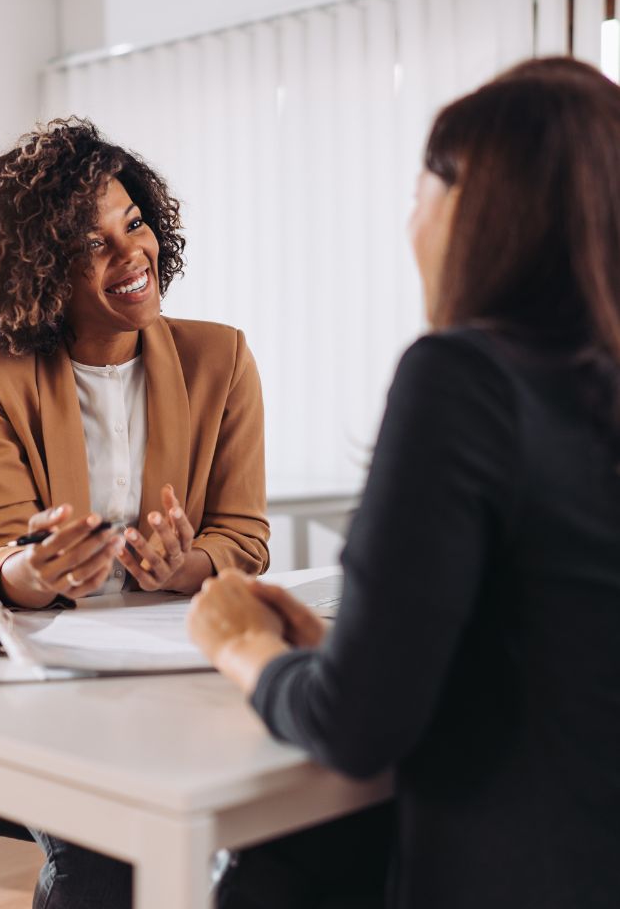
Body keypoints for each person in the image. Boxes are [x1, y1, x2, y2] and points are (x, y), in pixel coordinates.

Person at [188, 56, 620, 909]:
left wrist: (241, 645)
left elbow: (356, 728)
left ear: (477, 208)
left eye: (419, 191)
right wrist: (347, 652)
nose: (408, 220)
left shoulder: (463, 379)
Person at [0, 117, 269, 909]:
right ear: (39, 267)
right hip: (47, 691)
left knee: (275, 837)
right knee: (105, 859)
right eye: (92, 243)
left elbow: (244, 537)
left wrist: (191, 564)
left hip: (178, 681)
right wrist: (39, 570)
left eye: (135, 224)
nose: (131, 256)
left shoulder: (222, 359)